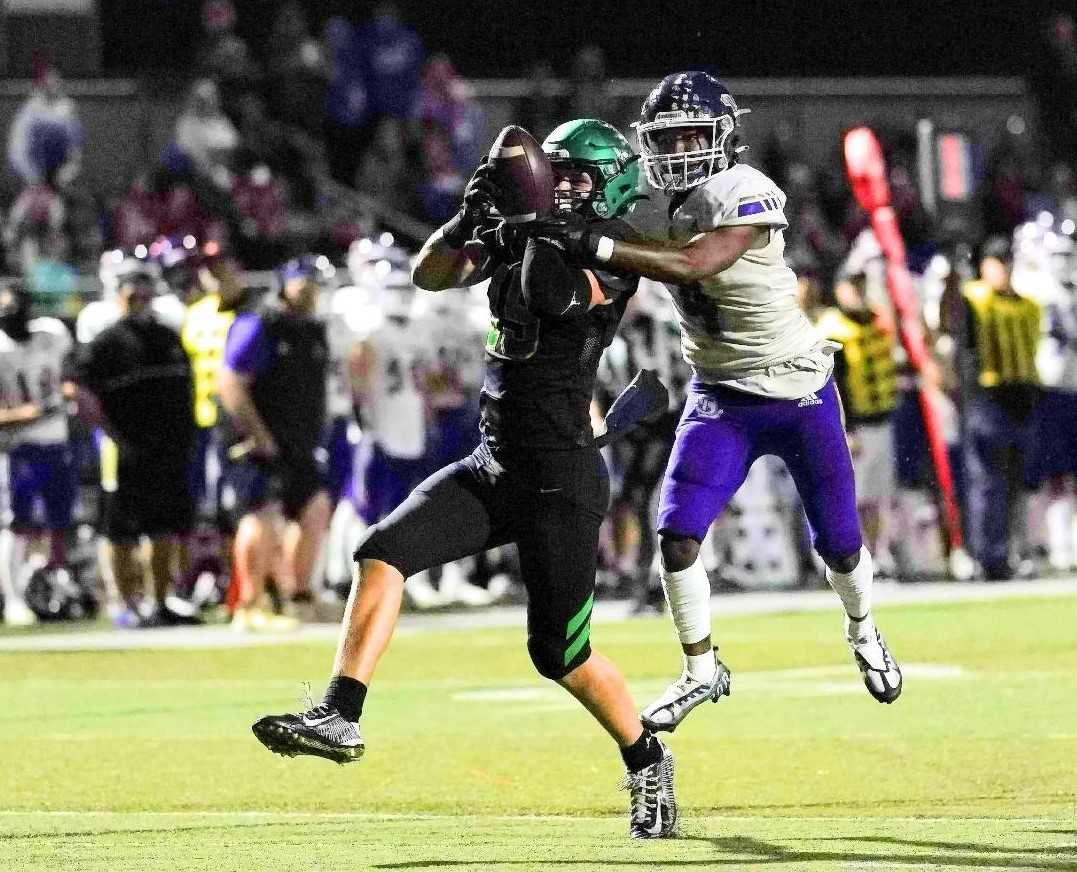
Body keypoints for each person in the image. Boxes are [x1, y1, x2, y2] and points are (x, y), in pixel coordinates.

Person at [251, 119, 679, 840]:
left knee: (560, 656)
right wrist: (465, 219)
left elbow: (552, 294)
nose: (561, 186)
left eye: (575, 176)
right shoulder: (525, 229)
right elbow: (432, 273)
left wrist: (530, 220)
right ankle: (341, 714)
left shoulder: (610, 250)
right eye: (554, 173)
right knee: (382, 551)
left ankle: (647, 756)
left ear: (609, 186)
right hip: (494, 463)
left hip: (560, 480)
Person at [529, 72, 903, 732]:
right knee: (676, 535)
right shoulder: (648, 197)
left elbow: (696, 263)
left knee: (840, 545)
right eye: (666, 138)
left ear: (724, 135)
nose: (678, 150)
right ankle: (700, 669)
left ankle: (862, 628)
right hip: (720, 396)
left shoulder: (744, 189)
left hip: (796, 390)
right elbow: (591, 217)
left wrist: (598, 242)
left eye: (690, 136)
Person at [75, 259, 198, 627]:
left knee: (164, 526)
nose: (140, 297)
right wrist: (110, 435)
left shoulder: (168, 337)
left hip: (169, 448)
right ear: (118, 295)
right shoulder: (106, 343)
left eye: (145, 290)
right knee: (121, 529)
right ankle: (124, 604)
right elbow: (81, 391)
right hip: (126, 449)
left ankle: (159, 601)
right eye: (132, 291)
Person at [218, 256, 332, 631]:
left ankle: (298, 597)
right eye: (303, 283)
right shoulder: (259, 323)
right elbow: (230, 383)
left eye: (315, 284)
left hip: (298, 440)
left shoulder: (312, 330)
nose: (310, 291)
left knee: (314, 508)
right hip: (258, 440)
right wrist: (257, 434)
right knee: (262, 516)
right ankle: (250, 604)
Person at [941, 235, 1041, 580]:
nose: (1005, 269)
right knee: (985, 481)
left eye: (1008, 262)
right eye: (999, 262)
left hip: (1020, 397)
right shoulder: (972, 300)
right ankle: (986, 555)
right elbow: (959, 341)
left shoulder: (1027, 304)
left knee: (1016, 482)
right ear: (985, 266)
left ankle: (1013, 551)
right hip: (986, 399)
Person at [0, 282, 75, 625]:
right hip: (20, 447)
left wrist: (69, 389)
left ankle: (55, 589)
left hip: (57, 441)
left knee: (60, 522)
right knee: (18, 524)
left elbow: (71, 374)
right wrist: (27, 414)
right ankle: (14, 598)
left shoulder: (52, 334)